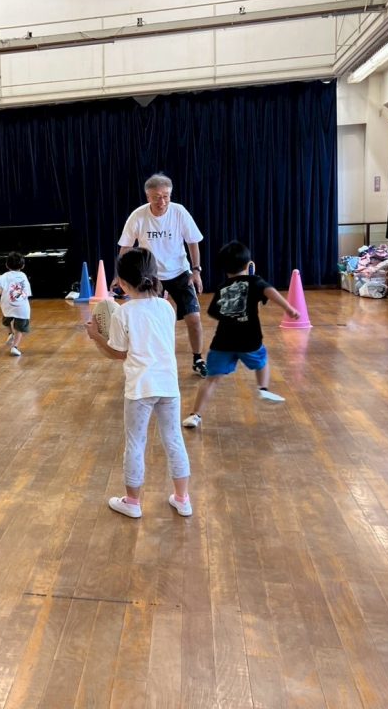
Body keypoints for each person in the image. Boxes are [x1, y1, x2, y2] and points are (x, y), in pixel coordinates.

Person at [85, 248, 192, 518]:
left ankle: (132, 503)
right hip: (168, 385)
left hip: (140, 388)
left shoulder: (123, 313)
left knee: (135, 443)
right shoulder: (167, 307)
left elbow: (119, 353)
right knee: (174, 439)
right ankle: (182, 499)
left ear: (121, 282)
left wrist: (96, 336)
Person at [182, 241, 299, 429]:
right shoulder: (255, 281)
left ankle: (195, 415)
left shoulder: (222, 287)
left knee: (211, 379)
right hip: (249, 341)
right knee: (262, 361)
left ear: (224, 268)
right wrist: (288, 308)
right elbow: (269, 291)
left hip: (223, 342)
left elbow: (214, 312)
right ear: (247, 264)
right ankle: (263, 388)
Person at [117, 172, 208, 377]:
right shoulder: (138, 216)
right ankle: (150, 360)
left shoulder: (179, 212)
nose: (162, 202)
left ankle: (198, 359)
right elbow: (126, 247)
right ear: (148, 196)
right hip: (150, 276)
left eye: (166, 196)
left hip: (180, 272)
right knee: (150, 322)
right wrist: (120, 275)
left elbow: (193, 241)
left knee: (194, 318)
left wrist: (196, 270)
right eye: (157, 197)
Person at [0, 252, 32, 356]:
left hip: (7, 305)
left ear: (6, 265)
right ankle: (14, 347)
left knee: (6, 319)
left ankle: (10, 333)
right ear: (23, 265)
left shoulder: (4, 276)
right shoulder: (23, 276)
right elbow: (27, 292)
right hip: (21, 307)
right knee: (19, 328)